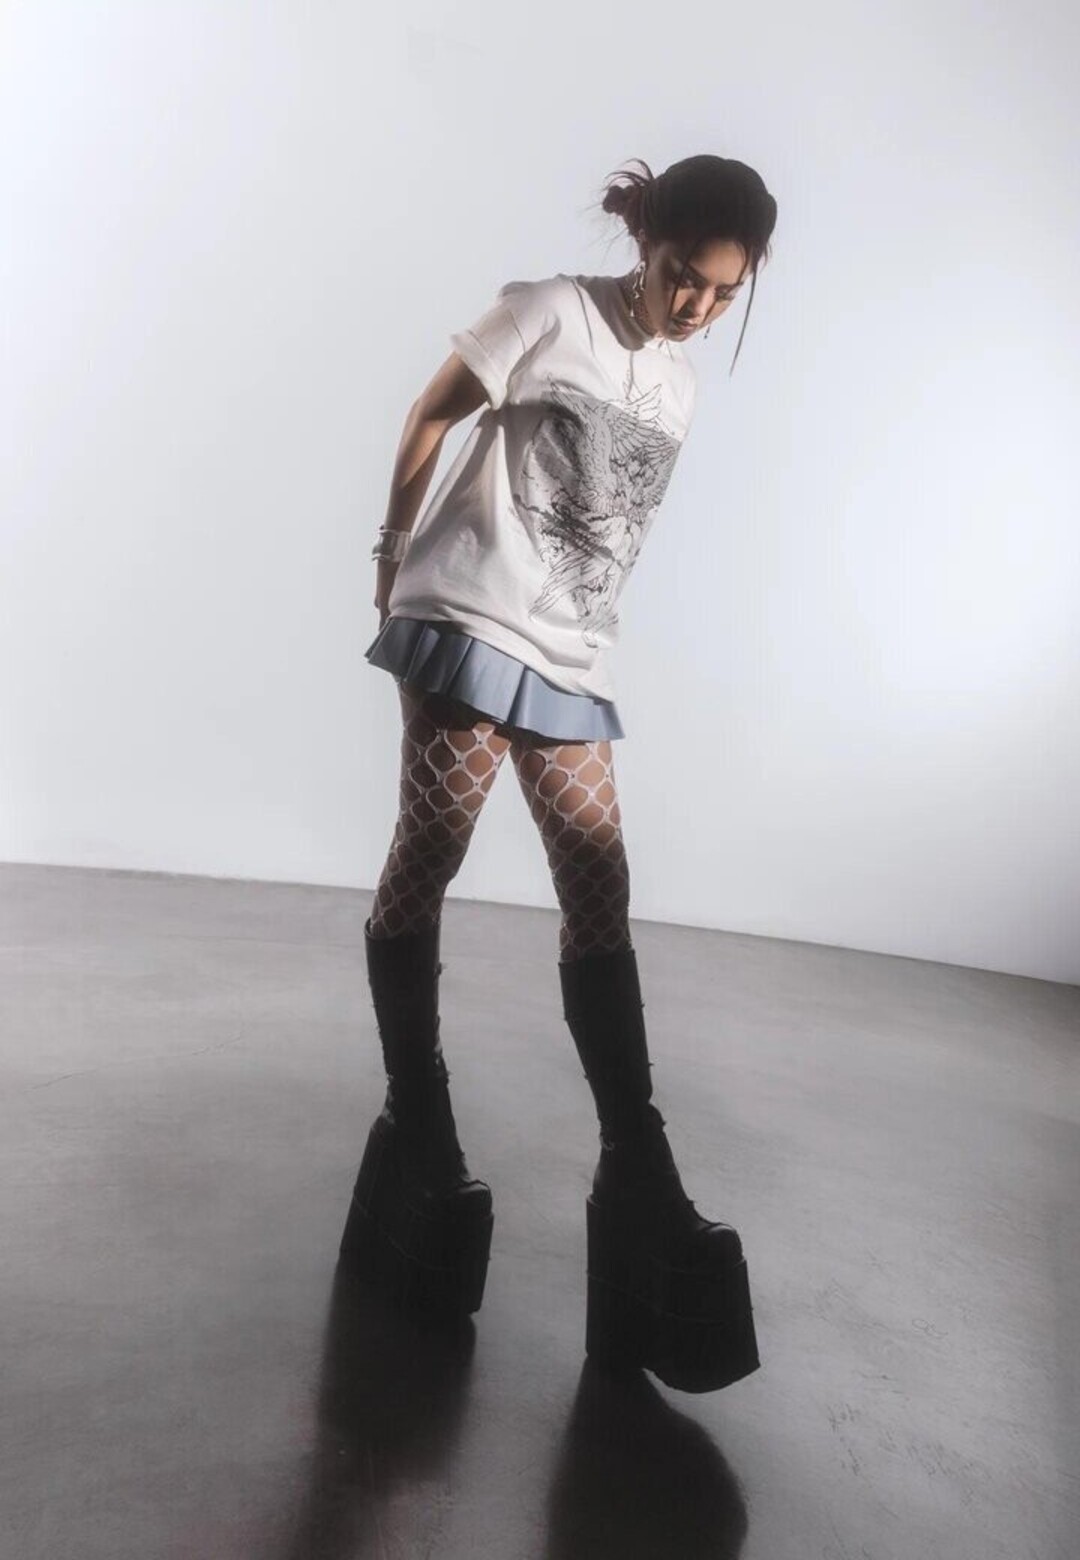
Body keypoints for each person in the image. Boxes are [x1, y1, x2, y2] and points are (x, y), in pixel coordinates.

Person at [338, 154, 778, 1394]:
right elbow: (430, 413)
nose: (696, 306)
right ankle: (418, 1114)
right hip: (468, 621)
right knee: (430, 855)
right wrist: (391, 556)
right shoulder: (547, 312)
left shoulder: (679, 385)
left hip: (570, 659)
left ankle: (638, 1167)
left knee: (600, 885)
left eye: (724, 294)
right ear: (648, 242)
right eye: (684, 276)